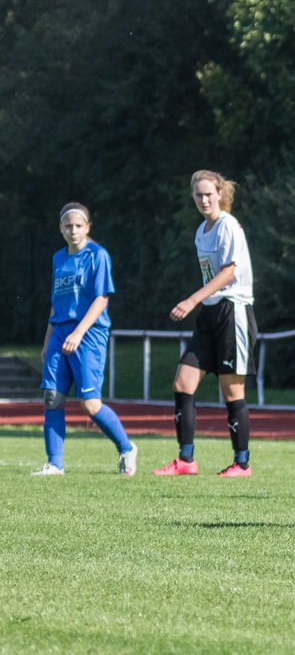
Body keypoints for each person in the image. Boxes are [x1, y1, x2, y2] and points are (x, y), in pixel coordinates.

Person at [152, 170, 258, 477]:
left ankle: (242, 464)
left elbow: (228, 273)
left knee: (231, 392)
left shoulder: (228, 226)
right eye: (198, 195)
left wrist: (191, 300)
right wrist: (201, 303)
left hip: (233, 312)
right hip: (210, 315)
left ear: (220, 194)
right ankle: (186, 460)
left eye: (209, 194)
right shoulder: (202, 231)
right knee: (182, 383)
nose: (204, 200)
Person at [33, 203, 137, 476]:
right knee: (52, 397)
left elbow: (101, 299)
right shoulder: (58, 258)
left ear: (88, 227)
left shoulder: (97, 255)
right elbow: (56, 305)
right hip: (59, 334)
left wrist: (78, 333)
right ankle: (55, 464)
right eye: (68, 226)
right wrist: (47, 342)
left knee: (89, 404)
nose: (73, 231)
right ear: (60, 229)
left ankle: (126, 447)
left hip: (88, 335)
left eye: (79, 226)